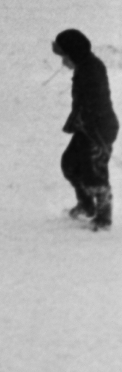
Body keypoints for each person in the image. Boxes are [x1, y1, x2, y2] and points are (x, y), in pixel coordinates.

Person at [53, 29, 116, 229]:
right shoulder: (84, 67)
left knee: (94, 173)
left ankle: (104, 216)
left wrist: (99, 140)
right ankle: (86, 204)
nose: (63, 61)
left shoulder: (92, 70)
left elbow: (95, 104)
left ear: (74, 54)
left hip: (99, 130)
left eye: (65, 56)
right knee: (70, 165)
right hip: (85, 128)